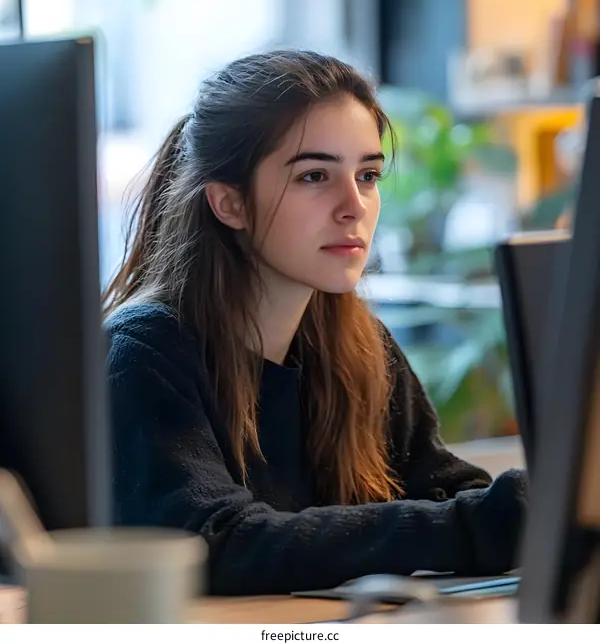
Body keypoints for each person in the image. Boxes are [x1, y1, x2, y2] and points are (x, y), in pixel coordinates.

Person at [105, 50, 527, 596]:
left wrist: (524, 508)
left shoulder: (358, 345)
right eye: (314, 176)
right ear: (229, 202)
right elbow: (215, 544)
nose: (354, 206)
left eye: (368, 175)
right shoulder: (145, 351)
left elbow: (445, 491)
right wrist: (482, 523)